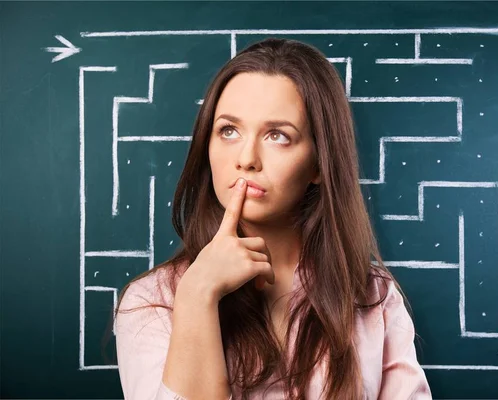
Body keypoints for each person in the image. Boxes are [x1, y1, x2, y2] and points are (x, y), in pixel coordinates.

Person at [114, 37, 432, 400]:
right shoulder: (153, 301)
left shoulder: (374, 297)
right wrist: (197, 296)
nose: (247, 158)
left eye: (278, 135)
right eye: (228, 131)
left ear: (319, 163)